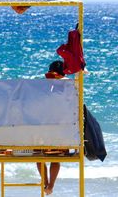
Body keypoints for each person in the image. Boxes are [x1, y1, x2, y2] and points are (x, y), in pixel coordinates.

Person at [36, 60, 66, 195]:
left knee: (38, 155)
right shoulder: (68, 86)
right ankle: (50, 186)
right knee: (55, 158)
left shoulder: (46, 86)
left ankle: (46, 182)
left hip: (44, 127)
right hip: (62, 130)